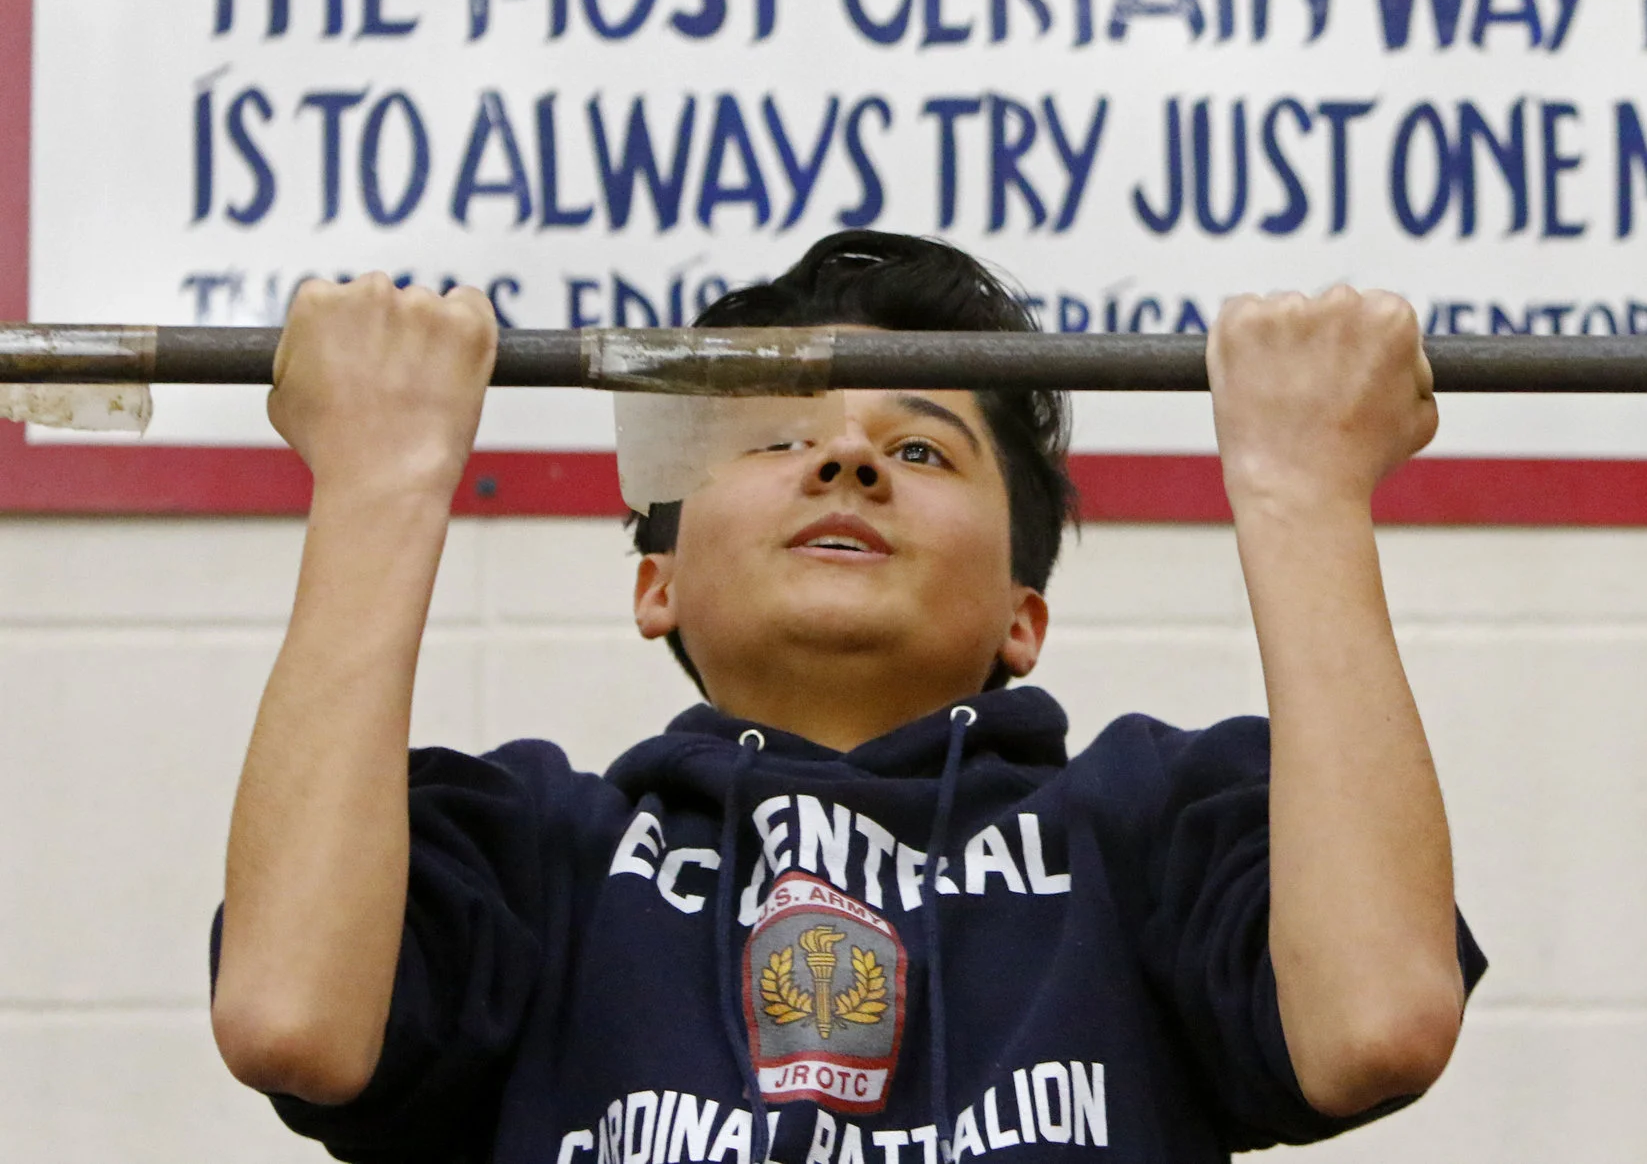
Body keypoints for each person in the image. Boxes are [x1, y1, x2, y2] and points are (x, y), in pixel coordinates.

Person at [209, 230, 1483, 1164]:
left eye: (922, 445)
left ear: (1019, 615)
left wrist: (1304, 486)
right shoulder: (539, 850)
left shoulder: (1141, 826)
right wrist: (380, 475)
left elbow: (1377, 1019)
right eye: (773, 438)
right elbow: (290, 1019)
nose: (846, 455)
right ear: (657, 580)